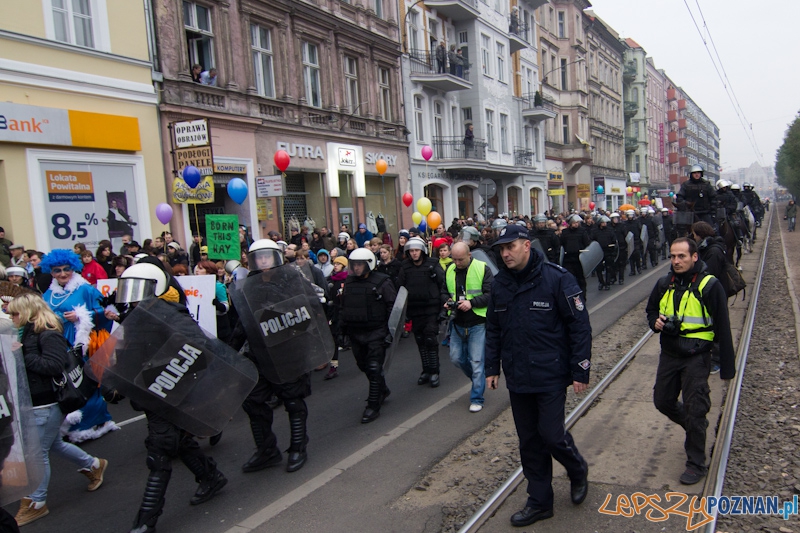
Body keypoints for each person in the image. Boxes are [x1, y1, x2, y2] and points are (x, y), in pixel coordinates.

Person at [108, 261, 227, 533]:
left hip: (171, 391)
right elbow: (130, 354)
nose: (133, 296)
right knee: (180, 442)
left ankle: (145, 522)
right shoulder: (138, 316)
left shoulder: (171, 315)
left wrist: (161, 372)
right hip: (152, 394)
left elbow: (199, 350)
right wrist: (114, 381)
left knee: (160, 453)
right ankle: (211, 477)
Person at [484, 224, 591, 527]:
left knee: (552, 435)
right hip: (518, 376)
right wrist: (491, 368)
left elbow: (579, 326)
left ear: (527, 245)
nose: (505, 254)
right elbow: (493, 329)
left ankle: (577, 468)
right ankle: (541, 502)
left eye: (510, 247)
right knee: (529, 441)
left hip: (550, 373)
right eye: (501, 250)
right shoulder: (501, 284)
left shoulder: (557, 279)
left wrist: (580, 368)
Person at [8, 293, 108, 527]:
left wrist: (21, 353)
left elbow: (53, 366)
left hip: (48, 402)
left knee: (37, 452)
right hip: (35, 401)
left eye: (14, 313)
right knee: (52, 444)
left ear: (27, 311)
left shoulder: (47, 332)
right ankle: (94, 465)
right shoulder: (27, 333)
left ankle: (36, 503)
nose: (11, 317)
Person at [645, 237, 735, 485]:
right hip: (670, 354)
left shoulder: (709, 285)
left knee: (696, 408)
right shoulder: (664, 283)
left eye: (682, 256)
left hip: (697, 356)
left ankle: (696, 462)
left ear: (695, 257)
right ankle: (695, 426)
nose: (676, 261)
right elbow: (651, 310)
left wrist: (727, 367)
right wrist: (655, 322)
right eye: (673, 256)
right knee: (662, 401)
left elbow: (723, 328)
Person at [229, 239, 312, 473]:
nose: (263, 261)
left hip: (287, 352)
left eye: (267, 256)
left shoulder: (293, 280)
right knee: (253, 401)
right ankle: (266, 450)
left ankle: (298, 446)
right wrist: (230, 350)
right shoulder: (248, 286)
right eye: (259, 257)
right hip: (259, 354)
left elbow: (310, 309)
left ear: (276, 257)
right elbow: (242, 322)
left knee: (293, 400)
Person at [40, 249, 117, 442]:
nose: (63, 273)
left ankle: (93, 423)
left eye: (66, 269)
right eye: (57, 270)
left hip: (83, 343)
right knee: (67, 383)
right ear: (51, 272)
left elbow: (105, 311)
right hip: (58, 343)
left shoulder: (85, 289)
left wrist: (81, 316)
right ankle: (70, 424)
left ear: (73, 268)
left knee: (86, 381)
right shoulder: (48, 294)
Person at [340, 248, 396, 422]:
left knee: (373, 366)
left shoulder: (383, 282)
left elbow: (393, 307)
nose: (356, 268)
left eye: (360, 264)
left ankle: (373, 406)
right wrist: (342, 332)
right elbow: (343, 308)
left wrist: (390, 332)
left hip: (376, 332)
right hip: (356, 332)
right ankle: (382, 388)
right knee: (364, 366)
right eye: (354, 264)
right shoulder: (348, 283)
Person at [444, 243, 493, 412]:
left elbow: (490, 294)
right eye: (454, 259)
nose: (457, 263)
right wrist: (447, 301)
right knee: (456, 358)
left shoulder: (482, 268)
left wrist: (471, 303)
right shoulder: (450, 269)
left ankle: (477, 398)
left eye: (460, 259)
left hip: (477, 322)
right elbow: (444, 290)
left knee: (477, 361)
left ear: (469, 255)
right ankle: (477, 378)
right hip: (457, 322)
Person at [397, 237, 447, 387]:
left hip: (431, 308)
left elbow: (443, 284)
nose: (414, 253)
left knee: (431, 339)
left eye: (416, 250)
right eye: (411, 251)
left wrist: (443, 307)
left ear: (422, 251)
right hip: (414, 308)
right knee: (420, 340)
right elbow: (400, 288)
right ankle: (425, 370)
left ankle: (434, 371)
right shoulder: (405, 267)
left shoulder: (433, 264)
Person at [560, 215, 590, 298]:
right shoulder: (565, 232)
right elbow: (561, 244)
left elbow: (587, 243)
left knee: (581, 279)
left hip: (579, 258)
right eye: (574, 222)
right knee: (570, 279)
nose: (576, 224)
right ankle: (572, 296)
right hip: (568, 259)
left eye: (577, 222)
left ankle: (583, 296)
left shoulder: (582, 231)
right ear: (570, 223)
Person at [592, 216, 617, 290]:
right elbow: (592, 240)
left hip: (608, 251)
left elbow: (614, 239)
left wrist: (612, 245)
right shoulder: (595, 231)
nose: (604, 224)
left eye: (605, 222)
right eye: (603, 222)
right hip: (598, 251)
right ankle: (601, 282)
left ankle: (607, 283)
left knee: (608, 268)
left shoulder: (609, 230)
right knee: (599, 268)